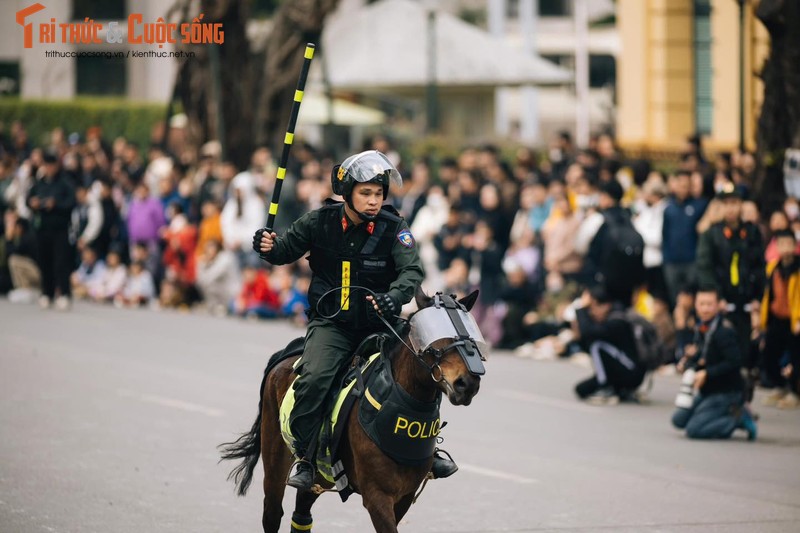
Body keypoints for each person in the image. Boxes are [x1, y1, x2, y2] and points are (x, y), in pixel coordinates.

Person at [253, 150, 455, 490]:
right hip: (332, 326)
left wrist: (393, 298)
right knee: (315, 378)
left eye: (378, 194)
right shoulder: (319, 221)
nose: (374, 201)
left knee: (425, 369)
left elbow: (411, 272)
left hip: (382, 326)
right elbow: (282, 251)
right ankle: (306, 456)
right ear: (346, 193)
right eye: (366, 193)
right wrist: (267, 245)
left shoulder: (395, 228)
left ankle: (430, 450)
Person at [696, 185, 765, 399]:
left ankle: (741, 400)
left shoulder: (751, 233)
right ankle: (718, 396)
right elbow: (705, 267)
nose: (731, 209)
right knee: (719, 351)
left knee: (743, 353)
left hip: (744, 302)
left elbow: (759, 267)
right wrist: (716, 297)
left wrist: (757, 297)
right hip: (722, 302)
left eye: (735, 203)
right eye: (727, 204)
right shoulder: (712, 234)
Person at [671, 286, 758, 440]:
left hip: (726, 391)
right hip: (708, 390)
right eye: (701, 304)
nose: (705, 309)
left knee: (695, 430)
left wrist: (707, 373)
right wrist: (687, 363)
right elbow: (704, 357)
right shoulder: (701, 327)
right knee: (679, 420)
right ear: (695, 305)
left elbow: (735, 362)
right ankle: (714, 414)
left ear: (718, 305)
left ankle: (738, 419)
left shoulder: (724, 331)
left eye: (709, 304)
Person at [572, 285, 647, 405]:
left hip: (631, 372)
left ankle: (605, 387)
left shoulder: (617, 321)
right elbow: (586, 340)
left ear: (605, 305)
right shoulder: (610, 318)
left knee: (597, 345)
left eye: (592, 308)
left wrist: (581, 309)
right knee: (581, 389)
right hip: (621, 372)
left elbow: (590, 333)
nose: (591, 313)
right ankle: (618, 389)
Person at [27, 152, 76, 310]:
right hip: (42, 229)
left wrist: (55, 204)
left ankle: (64, 294)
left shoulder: (64, 183)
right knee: (44, 261)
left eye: (51, 165)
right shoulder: (39, 183)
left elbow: (71, 202)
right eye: (46, 165)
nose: (48, 168)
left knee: (61, 262)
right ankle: (47, 293)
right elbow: (28, 198)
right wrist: (32, 203)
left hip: (59, 229)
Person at [758, 230, 800, 406]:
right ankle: (779, 386)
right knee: (769, 354)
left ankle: (795, 392)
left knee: (796, 357)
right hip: (775, 318)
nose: (785, 248)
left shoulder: (797, 269)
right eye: (781, 244)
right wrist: (762, 319)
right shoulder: (772, 267)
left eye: (788, 244)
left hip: (794, 320)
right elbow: (767, 294)